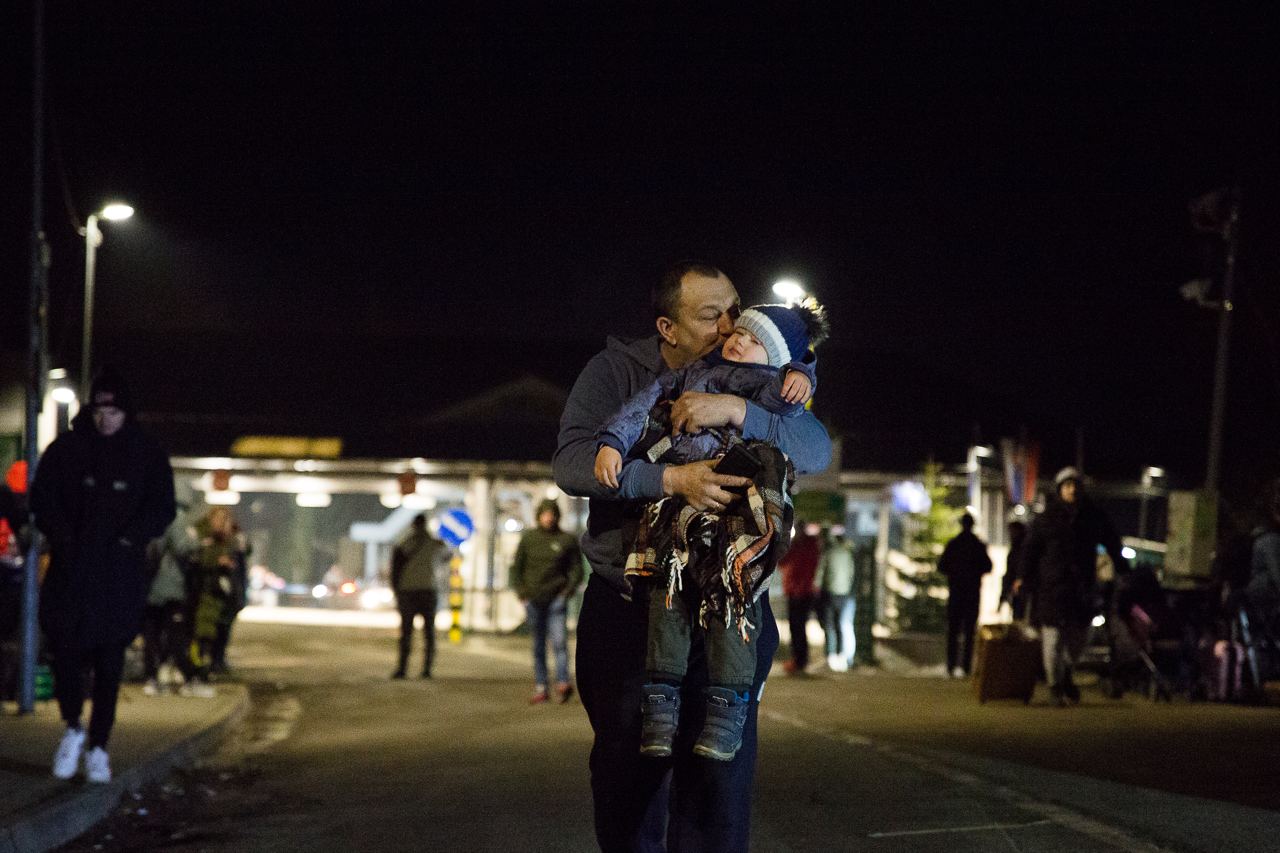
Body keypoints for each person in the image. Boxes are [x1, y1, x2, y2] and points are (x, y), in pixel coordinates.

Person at [554, 261, 832, 853]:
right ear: (668, 328)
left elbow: (812, 448)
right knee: (628, 780)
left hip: (728, 607)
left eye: (735, 307)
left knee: (717, 789)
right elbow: (573, 464)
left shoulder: (768, 371)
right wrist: (669, 479)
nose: (732, 324)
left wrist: (739, 413)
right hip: (631, 605)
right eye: (711, 316)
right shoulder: (617, 373)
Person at [593, 298, 825, 760]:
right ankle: (659, 706)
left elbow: (811, 441)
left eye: (752, 337)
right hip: (678, 517)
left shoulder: (775, 387)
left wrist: (802, 372)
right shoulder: (687, 375)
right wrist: (610, 442)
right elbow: (639, 409)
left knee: (733, 607)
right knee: (669, 601)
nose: (734, 336)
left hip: (737, 523)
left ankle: (726, 715)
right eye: (737, 329)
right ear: (668, 326)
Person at [31, 370, 175, 783]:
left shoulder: (145, 454)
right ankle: (74, 726)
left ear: (125, 411)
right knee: (67, 656)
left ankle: (98, 746)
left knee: (110, 664)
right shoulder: (68, 451)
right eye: (99, 408)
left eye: (112, 409)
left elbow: (161, 506)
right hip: (72, 574)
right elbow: (44, 498)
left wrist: (131, 540)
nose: (105, 417)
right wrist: (62, 536)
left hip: (117, 578)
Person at [1017, 467, 1129, 706]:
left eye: (1076, 485)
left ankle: (1067, 671)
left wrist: (1123, 566)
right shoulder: (1046, 518)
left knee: (1079, 637)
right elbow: (1030, 550)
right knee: (1053, 638)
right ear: (1059, 490)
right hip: (1052, 587)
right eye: (1067, 486)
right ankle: (1054, 686)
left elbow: (1111, 541)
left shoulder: (1092, 517)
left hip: (1082, 587)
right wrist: (1022, 577)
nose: (1072, 490)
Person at [510, 499, 583, 703]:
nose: (548, 518)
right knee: (538, 645)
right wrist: (521, 593)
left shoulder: (567, 540)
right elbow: (517, 567)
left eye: (551, 514)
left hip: (556, 599)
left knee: (559, 642)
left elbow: (577, 569)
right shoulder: (529, 539)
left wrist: (566, 592)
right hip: (533, 600)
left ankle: (563, 682)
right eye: (545, 514)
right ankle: (541, 686)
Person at [186, 506, 242, 696]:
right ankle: (195, 675)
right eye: (219, 520)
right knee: (200, 637)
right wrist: (218, 561)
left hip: (217, 598)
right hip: (203, 595)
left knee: (210, 637)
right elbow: (197, 560)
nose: (222, 524)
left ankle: (202, 672)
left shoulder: (227, 540)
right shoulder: (202, 537)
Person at [142, 509, 199, 695]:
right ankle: (184, 676)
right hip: (170, 588)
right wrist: (195, 541)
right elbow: (183, 547)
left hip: (148, 587)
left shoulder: (144, 514)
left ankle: (152, 676)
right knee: (176, 634)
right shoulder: (175, 516)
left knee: (151, 636)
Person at [390, 513, 450, 679]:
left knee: (406, 633)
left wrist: (397, 592)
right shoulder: (435, 543)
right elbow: (448, 556)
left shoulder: (404, 544)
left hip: (408, 592)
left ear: (413, 525)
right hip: (428, 591)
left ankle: (402, 669)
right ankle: (427, 670)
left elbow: (395, 570)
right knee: (429, 633)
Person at [938, 513, 992, 677]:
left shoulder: (954, 544)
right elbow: (988, 566)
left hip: (956, 592)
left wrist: (955, 573)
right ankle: (966, 666)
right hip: (972, 594)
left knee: (953, 631)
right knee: (969, 632)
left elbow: (941, 566)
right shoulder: (977, 545)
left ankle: (951, 665)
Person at [778, 522, 822, 675]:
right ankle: (800, 659)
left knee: (796, 627)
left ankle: (799, 660)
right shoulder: (812, 546)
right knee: (799, 627)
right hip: (805, 591)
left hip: (797, 591)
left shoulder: (797, 547)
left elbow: (782, 562)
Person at [817, 530, 857, 672]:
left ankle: (831, 655)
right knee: (843, 625)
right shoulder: (848, 554)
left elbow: (821, 573)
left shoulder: (829, 553)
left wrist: (818, 589)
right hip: (845, 594)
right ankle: (844, 656)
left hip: (829, 593)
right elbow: (852, 574)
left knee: (830, 626)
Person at [1000, 518, 1029, 621]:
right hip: (1020, 592)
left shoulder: (1021, 550)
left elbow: (1011, 572)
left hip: (1022, 592)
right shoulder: (1020, 549)